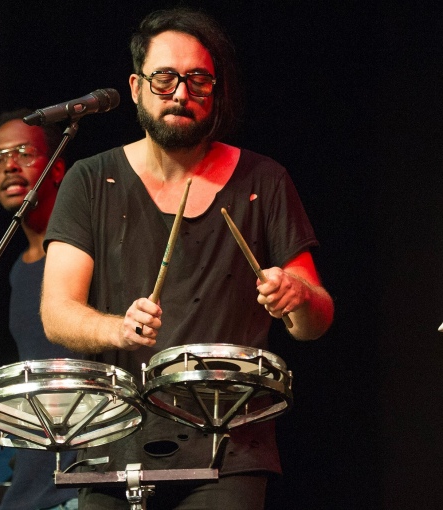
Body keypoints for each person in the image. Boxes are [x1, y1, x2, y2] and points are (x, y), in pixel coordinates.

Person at [40, 7, 334, 510]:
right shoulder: (90, 180)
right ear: (136, 87)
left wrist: (298, 295)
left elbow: (315, 321)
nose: (181, 94)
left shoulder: (264, 181)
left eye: (198, 81)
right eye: (165, 79)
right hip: (111, 437)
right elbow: (56, 312)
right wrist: (116, 329)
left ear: (215, 91)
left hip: (229, 441)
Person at [0, 109, 80, 510]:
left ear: (57, 169)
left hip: (81, 484)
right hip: (28, 488)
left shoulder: (84, 255)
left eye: (23, 153)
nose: (9, 166)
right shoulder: (17, 272)